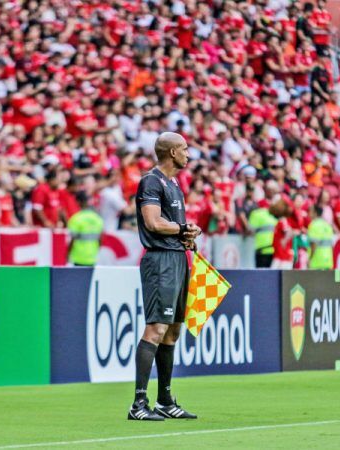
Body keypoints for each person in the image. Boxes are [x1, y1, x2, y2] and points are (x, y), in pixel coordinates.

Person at [129, 132, 200, 421]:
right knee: (156, 328)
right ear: (171, 153)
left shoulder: (174, 184)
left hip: (178, 258)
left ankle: (165, 401)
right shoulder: (151, 181)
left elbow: (172, 226)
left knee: (172, 331)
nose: (188, 154)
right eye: (184, 149)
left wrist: (187, 235)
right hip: (160, 262)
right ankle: (138, 404)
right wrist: (182, 229)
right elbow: (153, 222)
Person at [67, 192, 104, 267]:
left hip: (78, 256)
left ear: (78, 202)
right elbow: (100, 239)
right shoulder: (97, 218)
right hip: (93, 256)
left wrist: (67, 254)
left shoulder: (76, 218)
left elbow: (72, 240)